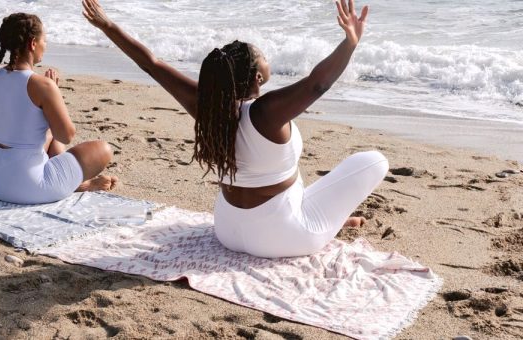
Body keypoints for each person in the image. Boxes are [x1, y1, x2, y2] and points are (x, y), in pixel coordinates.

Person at [83, 0, 389, 257]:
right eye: (264, 58)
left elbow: (151, 63)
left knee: (290, 181)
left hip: (228, 229)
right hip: (282, 236)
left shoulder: (208, 107)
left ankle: (330, 219)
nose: (268, 60)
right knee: (374, 161)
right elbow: (317, 84)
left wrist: (108, 26)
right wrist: (350, 44)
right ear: (258, 77)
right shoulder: (266, 112)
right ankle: (325, 222)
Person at [0, 13, 118, 205]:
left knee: (46, 137)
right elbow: (66, 135)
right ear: (33, 43)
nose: (46, 45)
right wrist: (53, 95)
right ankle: (78, 184)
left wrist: (48, 100)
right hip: (27, 188)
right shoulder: (42, 85)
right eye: (44, 40)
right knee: (103, 149)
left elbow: (25, 129)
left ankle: (69, 181)